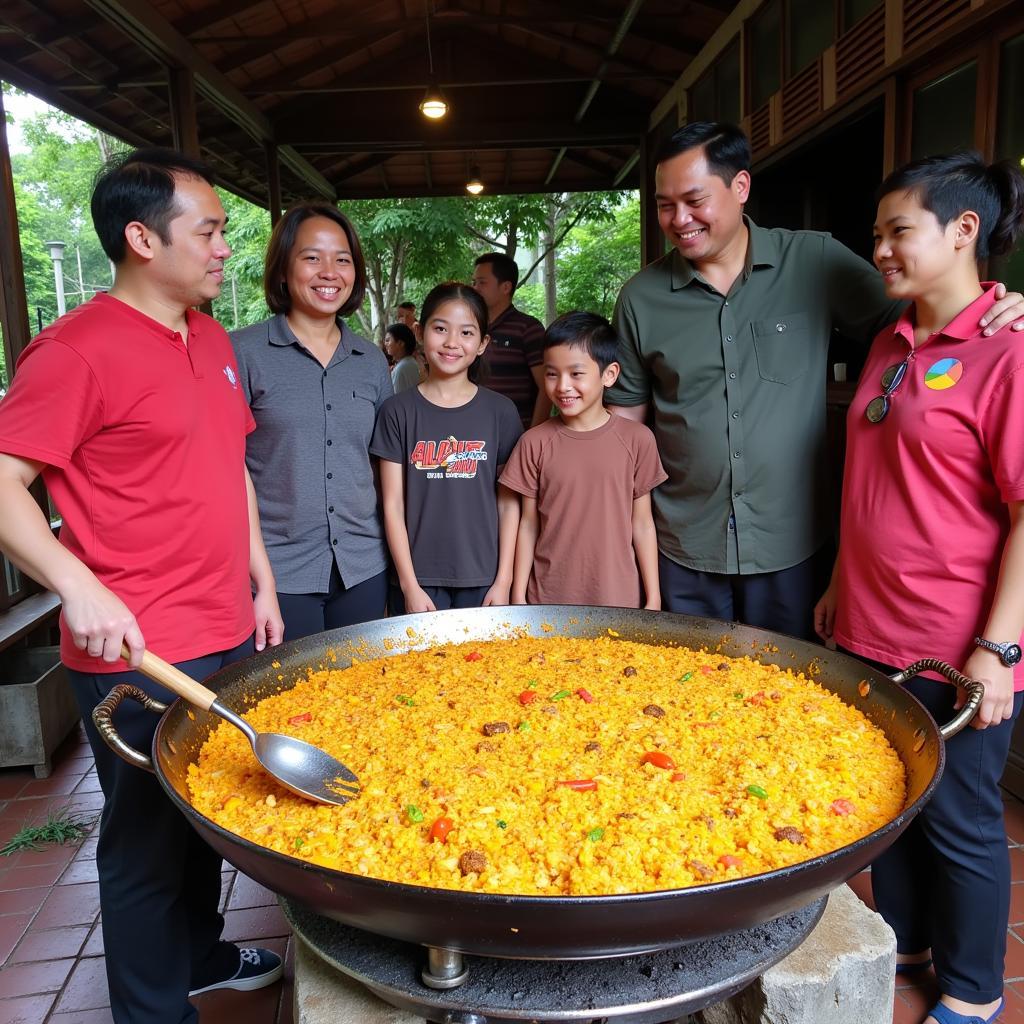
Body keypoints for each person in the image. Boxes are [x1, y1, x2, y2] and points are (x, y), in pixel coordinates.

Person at [0, 148, 284, 1023]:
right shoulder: (75, 352)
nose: (225, 248)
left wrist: (261, 581)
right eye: (209, 230)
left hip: (225, 622)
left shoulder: (207, 338)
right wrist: (73, 586)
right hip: (137, 650)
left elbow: (228, 466)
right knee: (144, 845)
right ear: (141, 238)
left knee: (201, 815)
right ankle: (153, 1012)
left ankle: (198, 956)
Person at [608, 121, 1024, 639]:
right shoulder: (641, 297)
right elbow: (623, 426)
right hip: (683, 543)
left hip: (795, 544)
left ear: (740, 187)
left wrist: (998, 306)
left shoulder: (813, 261)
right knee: (690, 697)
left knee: (796, 699)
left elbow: (922, 313)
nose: (679, 219)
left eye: (694, 200)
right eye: (665, 205)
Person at [814, 152, 1024, 1024]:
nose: (883, 250)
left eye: (899, 230)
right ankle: (909, 942)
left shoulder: (1007, 351)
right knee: (890, 799)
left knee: (963, 819)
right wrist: (835, 584)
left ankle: (973, 992)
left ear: (963, 230)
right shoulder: (889, 341)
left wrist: (1001, 648)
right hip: (866, 621)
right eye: (878, 234)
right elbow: (873, 479)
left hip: (955, 639)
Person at [231, 202, 392, 640]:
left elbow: (383, 465)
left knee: (360, 700)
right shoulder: (242, 354)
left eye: (342, 260)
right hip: (278, 573)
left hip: (363, 566)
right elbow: (225, 467)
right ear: (283, 269)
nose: (329, 272)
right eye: (311, 257)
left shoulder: (371, 361)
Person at [371, 281, 522, 614]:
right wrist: (409, 585)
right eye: (441, 329)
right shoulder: (397, 412)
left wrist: (504, 581)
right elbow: (392, 504)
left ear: (482, 343)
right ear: (421, 332)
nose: (452, 342)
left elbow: (510, 505)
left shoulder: (500, 412)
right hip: (417, 579)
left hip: (483, 577)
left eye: (467, 333)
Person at [501, 311, 666, 608]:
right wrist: (518, 593)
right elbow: (528, 524)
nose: (562, 386)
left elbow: (642, 524)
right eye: (552, 374)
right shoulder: (533, 443)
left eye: (576, 374)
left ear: (609, 374)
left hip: (619, 598)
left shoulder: (638, 440)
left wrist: (653, 596)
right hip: (547, 599)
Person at [471, 252, 549, 429]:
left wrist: (532, 437)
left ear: (506, 287)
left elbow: (547, 388)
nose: (475, 288)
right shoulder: (470, 329)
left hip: (516, 433)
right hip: (475, 433)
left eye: (482, 282)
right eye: (473, 282)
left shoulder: (528, 328)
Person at [383, 321, 422, 393]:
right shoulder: (409, 363)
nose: (385, 344)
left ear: (400, 343)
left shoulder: (402, 367)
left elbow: (397, 399)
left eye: (388, 340)